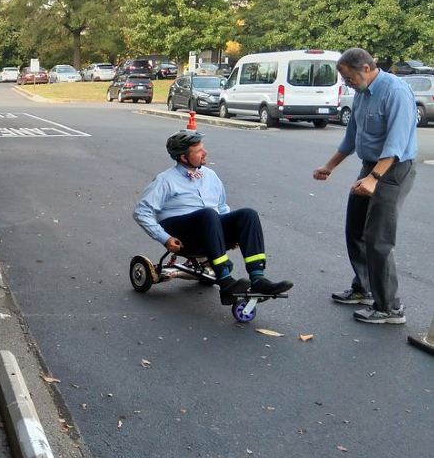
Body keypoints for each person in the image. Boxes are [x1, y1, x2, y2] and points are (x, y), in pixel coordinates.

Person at [313, 47, 417, 324]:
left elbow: (397, 143)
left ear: (367, 69)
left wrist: (374, 178)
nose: (347, 84)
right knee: (355, 227)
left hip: (393, 170)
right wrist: (330, 166)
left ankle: (390, 308)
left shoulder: (395, 92)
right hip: (371, 167)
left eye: (348, 78)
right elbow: (352, 137)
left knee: (378, 238)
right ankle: (365, 287)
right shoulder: (361, 95)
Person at [134, 130, 294, 304]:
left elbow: (222, 208)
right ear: (183, 158)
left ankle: (258, 279)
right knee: (208, 214)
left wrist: (231, 232)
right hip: (182, 235)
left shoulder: (210, 176)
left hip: (210, 229)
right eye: (198, 150)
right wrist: (164, 238)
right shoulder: (165, 180)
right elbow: (141, 212)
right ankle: (225, 282)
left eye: (203, 148)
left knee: (248, 215)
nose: (205, 152)